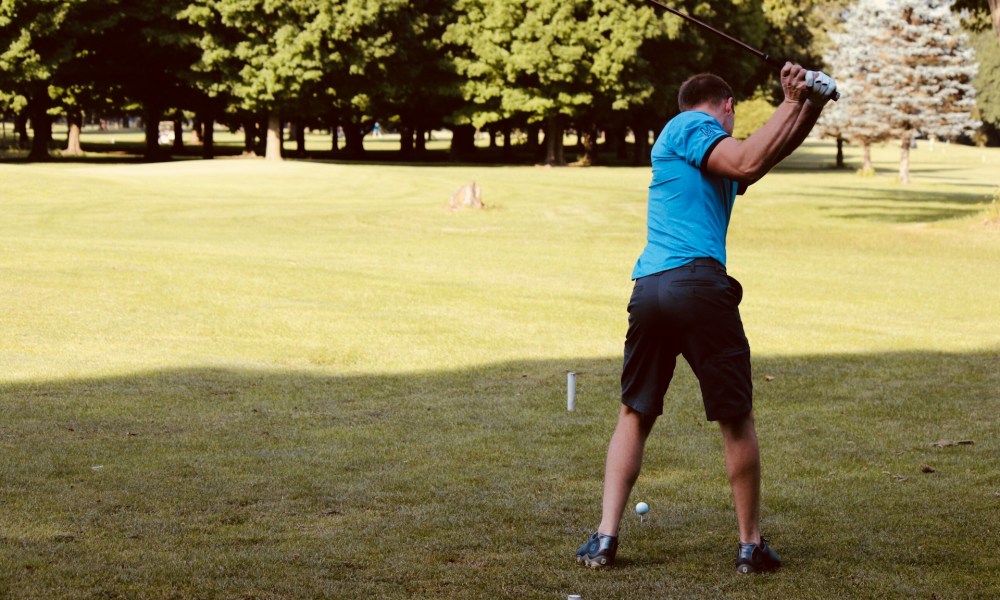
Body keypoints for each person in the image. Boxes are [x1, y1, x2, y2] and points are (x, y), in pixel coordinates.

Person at [575, 63, 837, 574]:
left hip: (651, 288)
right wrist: (790, 100)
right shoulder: (693, 126)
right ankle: (750, 545)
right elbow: (745, 159)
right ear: (727, 107)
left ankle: (605, 538)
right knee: (735, 418)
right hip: (697, 285)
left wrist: (810, 105)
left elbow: (762, 159)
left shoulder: (711, 159)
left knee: (635, 412)